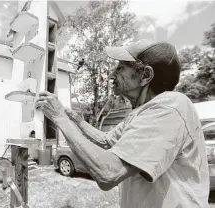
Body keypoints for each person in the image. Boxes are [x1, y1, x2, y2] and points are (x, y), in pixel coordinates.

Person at [35, 39, 210, 208]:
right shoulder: (141, 113)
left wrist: (60, 118)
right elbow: (105, 141)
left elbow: (109, 172)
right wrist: (75, 119)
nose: (112, 74)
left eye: (120, 68)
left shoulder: (170, 107)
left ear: (145, 75)